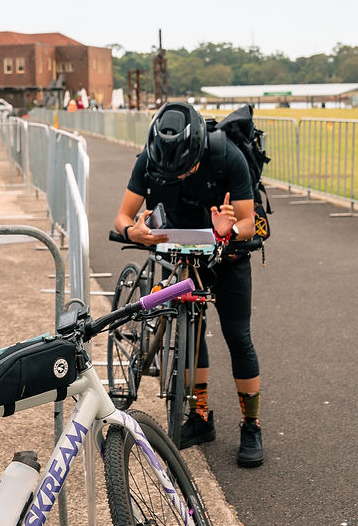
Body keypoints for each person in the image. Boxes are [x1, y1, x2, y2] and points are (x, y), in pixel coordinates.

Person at [113, 101, 264, 467]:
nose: (180, 177)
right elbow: (123, 216)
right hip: (180, 252)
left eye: (187, 169)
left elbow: (249, 222)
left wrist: (229, 230)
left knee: (237, 335)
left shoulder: (227, 156)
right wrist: (133, 231)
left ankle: (251, 425)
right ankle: (199, 416)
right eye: (172, 173)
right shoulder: (149, 159)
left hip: (227, 255)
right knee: (192, 332)